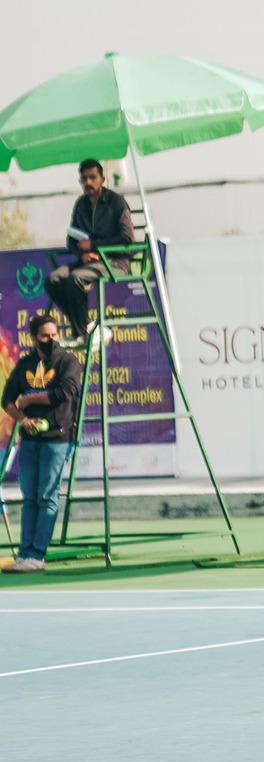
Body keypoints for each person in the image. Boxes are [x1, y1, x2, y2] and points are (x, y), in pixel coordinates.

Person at [1, 314, 83, 574]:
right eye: (45, 335)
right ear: (34, 337)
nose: (51, 339)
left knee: (48, 497)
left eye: (54, 334)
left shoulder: (67, 361)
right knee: (30, 499)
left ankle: (37, 555)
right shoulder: (26, 362)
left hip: (58, 438)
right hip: (30, 440)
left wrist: (31, 399)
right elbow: (7, 399)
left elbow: (65, 393)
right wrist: (23, 419)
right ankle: (24, 554)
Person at [46, 158, 134, 348]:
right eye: (84, 179)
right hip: (88, 262)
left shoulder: (117, 203)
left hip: (114, 263)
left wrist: (94, 246)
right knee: (53, 279)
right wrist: (82, 254)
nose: (88, 183)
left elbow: (127, 239)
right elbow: (72, 239)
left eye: (92, 177)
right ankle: (85, 328)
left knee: (76, 278)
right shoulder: (81, 205)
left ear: (102, 178)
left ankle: (83, 331)